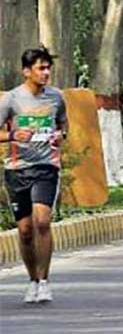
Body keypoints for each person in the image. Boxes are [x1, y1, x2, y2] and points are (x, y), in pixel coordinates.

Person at [0, 47, 68, 304]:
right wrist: (13, 135)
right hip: (17, 169)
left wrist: (61, 136)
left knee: (42, 221)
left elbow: (63, 126)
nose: (46, 73)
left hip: (46, 167)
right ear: (26, 71)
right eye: (41, 68)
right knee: (26, 230)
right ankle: (31, 280)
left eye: (48, 68)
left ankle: (44, 280)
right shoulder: (11, 99)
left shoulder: (56, 97)